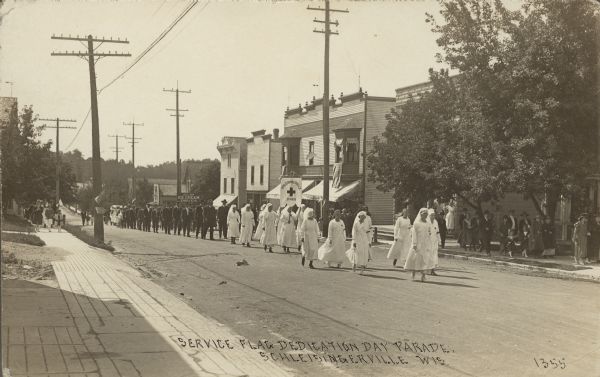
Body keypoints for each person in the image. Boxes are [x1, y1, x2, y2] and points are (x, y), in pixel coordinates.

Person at [404, 208, 430, 282]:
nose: (425, 215)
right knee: (415, 258)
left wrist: (429, 240)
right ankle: (413, 272)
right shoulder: (416, 224)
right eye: (424, 214)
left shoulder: (428, 223)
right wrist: (414, 244)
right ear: (420, 214)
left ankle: (423, 275)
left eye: (426, 214)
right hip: (418, 243)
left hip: (425, 244)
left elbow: (428, 233)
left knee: (424, 259)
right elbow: (414, 234)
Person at [426, 208, 441, 275]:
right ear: (429, 215)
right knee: (428, 256)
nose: (433, 216)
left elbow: (437, 232)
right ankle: (426, 270)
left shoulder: (435, 222)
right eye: (431, 215)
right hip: (427, 242)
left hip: (434, 241)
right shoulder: (426, 222)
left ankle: (432, 270)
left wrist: (439, 241)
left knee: (434, 256)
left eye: (433, 215)